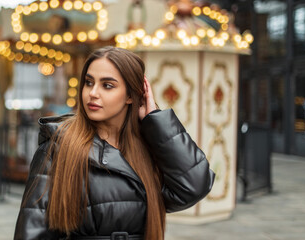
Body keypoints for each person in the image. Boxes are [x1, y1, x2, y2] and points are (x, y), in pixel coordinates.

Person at [14, 46, 215, 240]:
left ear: (130, 95)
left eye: (107, 85)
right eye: (89, 82)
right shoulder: (58, 146)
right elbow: (32, 231)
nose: (93, 93)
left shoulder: (147, 147)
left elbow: (194, 185)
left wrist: (155, 120)